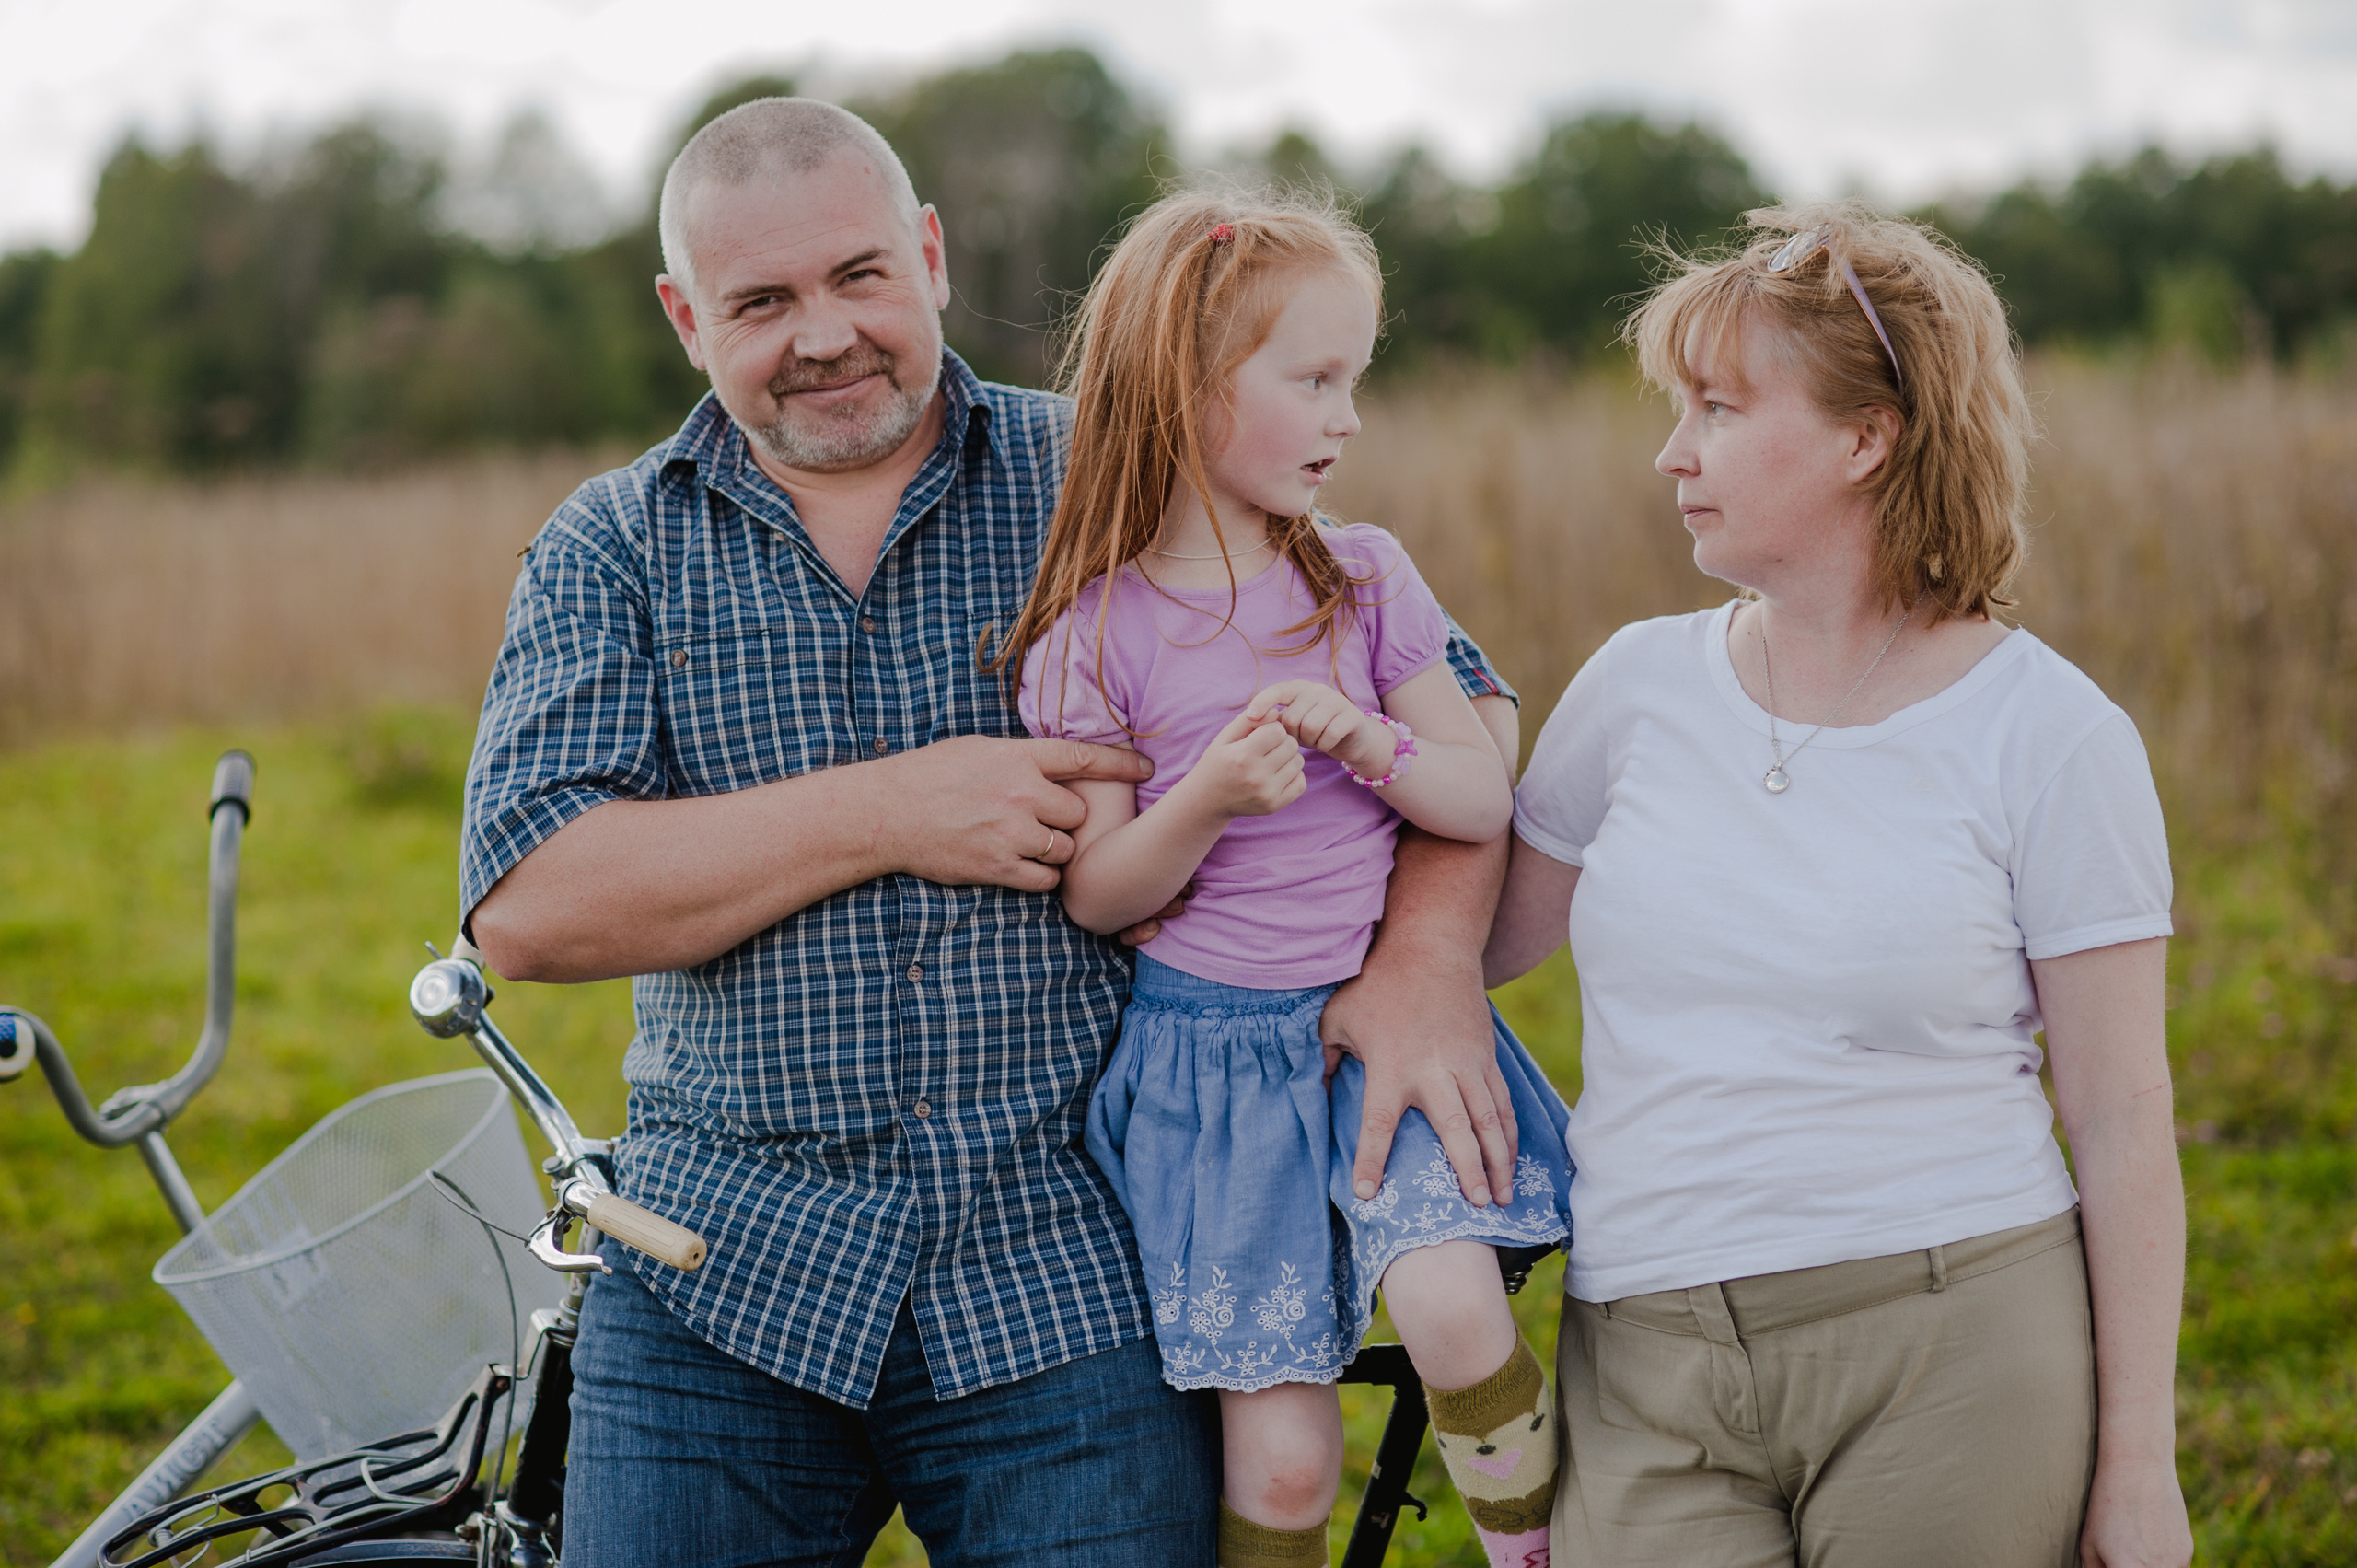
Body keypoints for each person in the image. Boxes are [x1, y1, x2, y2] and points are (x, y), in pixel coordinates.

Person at [459, 98, 1527, 1566]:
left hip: (1071, 1256)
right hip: (719, 1262)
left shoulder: (1129, 470)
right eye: (761, 302)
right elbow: (525, 907)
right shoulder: (613, 544)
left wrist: (1424, 958)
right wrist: (890, 810)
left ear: (933, 256)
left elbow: (1465, 707)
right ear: (684, 317)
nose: (823, 334)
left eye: (858, 277)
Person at [1485, 204, 2195, 1568]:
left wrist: (2140, 1466)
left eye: (1719, 407)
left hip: (1955, 1344)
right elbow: (1470, 944)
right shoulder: (1634, 685)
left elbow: (2120, 1113)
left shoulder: (2051, 735)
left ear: (1869, 437)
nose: (1671, 452)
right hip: (1643, 1356)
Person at [1003, 190, 1574, 1568]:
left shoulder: (1362, 582)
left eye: (1354, 380)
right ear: (1190, 393)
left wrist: (1368, 742)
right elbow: (1102, 894)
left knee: (1449, 1308)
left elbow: (1480, 791)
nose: (1348, 418)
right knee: (1284, 1449)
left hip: (1375, 1031)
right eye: (1315, 380)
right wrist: (1204, 797)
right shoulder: (1096, 630)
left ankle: (1545, 1551)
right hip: (1212, 1072)